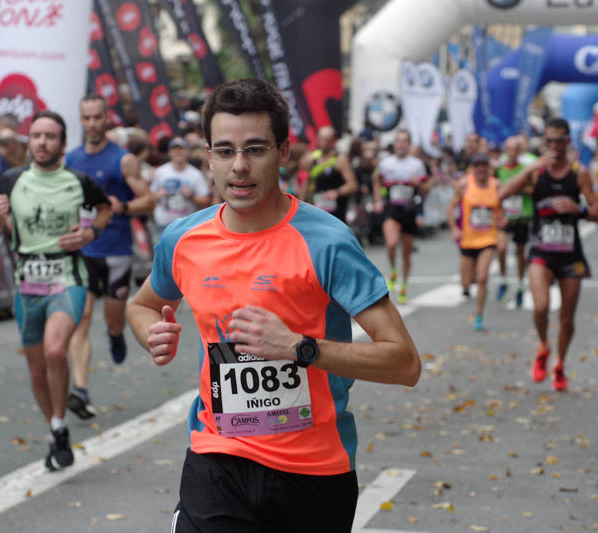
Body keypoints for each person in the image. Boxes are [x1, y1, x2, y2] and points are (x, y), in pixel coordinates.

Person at [126, 78, 421, 532]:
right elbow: (142, 305)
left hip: (313, 473)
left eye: (255, 149)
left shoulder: (327, 241)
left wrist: (301, 348)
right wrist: (151, 332)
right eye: (225, 151)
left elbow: (404, 363)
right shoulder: (183, 240)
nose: (239, 166)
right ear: (208, 156)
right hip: (217, 458)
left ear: (283, 152)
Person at [0, 110, 111, 471]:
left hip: (67, 277)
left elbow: (105, 209)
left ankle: (60, 418)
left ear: (62, 144)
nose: (41, 142)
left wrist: (90, 233)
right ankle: (57, 428)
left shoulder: (78, 181)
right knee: (38, 372)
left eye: (50, 136)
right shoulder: (11, 180)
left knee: (56, 351)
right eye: (36, 135)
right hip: (27, 285)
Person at [65, 94, 154, 419]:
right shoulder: (71, 159)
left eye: (97, 117)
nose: (92, 123)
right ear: (81, 120)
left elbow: (149, 200)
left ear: (106, 119)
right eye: (86, 117)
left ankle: (116, 335)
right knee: (81, 319)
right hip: (84, 250)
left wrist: (124, 207)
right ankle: (80, 389)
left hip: (116, 250)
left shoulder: (123, 160)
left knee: (113, 320)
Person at [499, 118, 598, 392]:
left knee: (567, 319)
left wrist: (578, 209)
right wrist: (529, 169)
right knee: (541, 307)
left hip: (570, 254)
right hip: (541, 251)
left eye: (558, 141)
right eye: (549, 141)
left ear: (567, 141)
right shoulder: (536, 172)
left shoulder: (579, 173)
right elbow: (502, 193)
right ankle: (543, 345)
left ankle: (560, 364)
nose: (554, 146)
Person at [447, 152, 500, 332]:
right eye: (477, 166)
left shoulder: (496, 185)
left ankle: (479, 315)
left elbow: (502, 206)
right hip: (468, 240)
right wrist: (454, 228)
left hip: (488, 238)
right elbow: (451, 206)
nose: (481, 169)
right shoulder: (464, 184)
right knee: (466, 282)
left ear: (488, 168)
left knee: (483, 277)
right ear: (473, 168)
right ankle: (468, 285)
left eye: (484, 165)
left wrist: (503, 219)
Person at [373, 129, 428, 303]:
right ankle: (393, 270)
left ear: (409, 144)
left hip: (409, 210)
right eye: (398, 141)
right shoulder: (385, 163)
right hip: (392, 208)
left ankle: (404, 285)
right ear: (395, 144)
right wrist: (378, 200)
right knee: (391, 243)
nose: (401, 144)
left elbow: (426, 188)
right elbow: (376, 181)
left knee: (406, 252)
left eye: (405, 141)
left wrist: (419, 185)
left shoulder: (417, 164)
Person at [495, 137, 532, 307]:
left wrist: (518, 187)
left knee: (520, 253)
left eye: (516, 149)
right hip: (505, 216)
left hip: (522, 215)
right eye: (509, 149)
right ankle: (503, 280)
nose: (512, 152)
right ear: (505, 151)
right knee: (501, 248)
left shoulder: (525, 170)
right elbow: (495, 191)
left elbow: (533, 189)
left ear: (520, 151)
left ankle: (520, 284)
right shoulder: (499, 170)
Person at [150, 136, 211, 233]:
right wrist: (158, 195)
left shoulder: (196, 174)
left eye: (181, 149)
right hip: (163, 224)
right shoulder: (160, 172)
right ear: (169, 152)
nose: (178, 152)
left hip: (186, 226)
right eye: (174, 149)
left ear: (187, 152)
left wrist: (191, 196)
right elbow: (150, 196)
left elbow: (206, 200)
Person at [299, 125, 358, 223]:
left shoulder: (340, 160)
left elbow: (353, 185)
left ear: (334, 141)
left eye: (328, 140)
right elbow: (305, 183)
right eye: (322, 139)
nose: (325, 143)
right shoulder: (310, 159)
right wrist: (301, 206)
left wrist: (336, 192)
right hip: (316, 209)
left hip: (336, 213)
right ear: (318, 139)